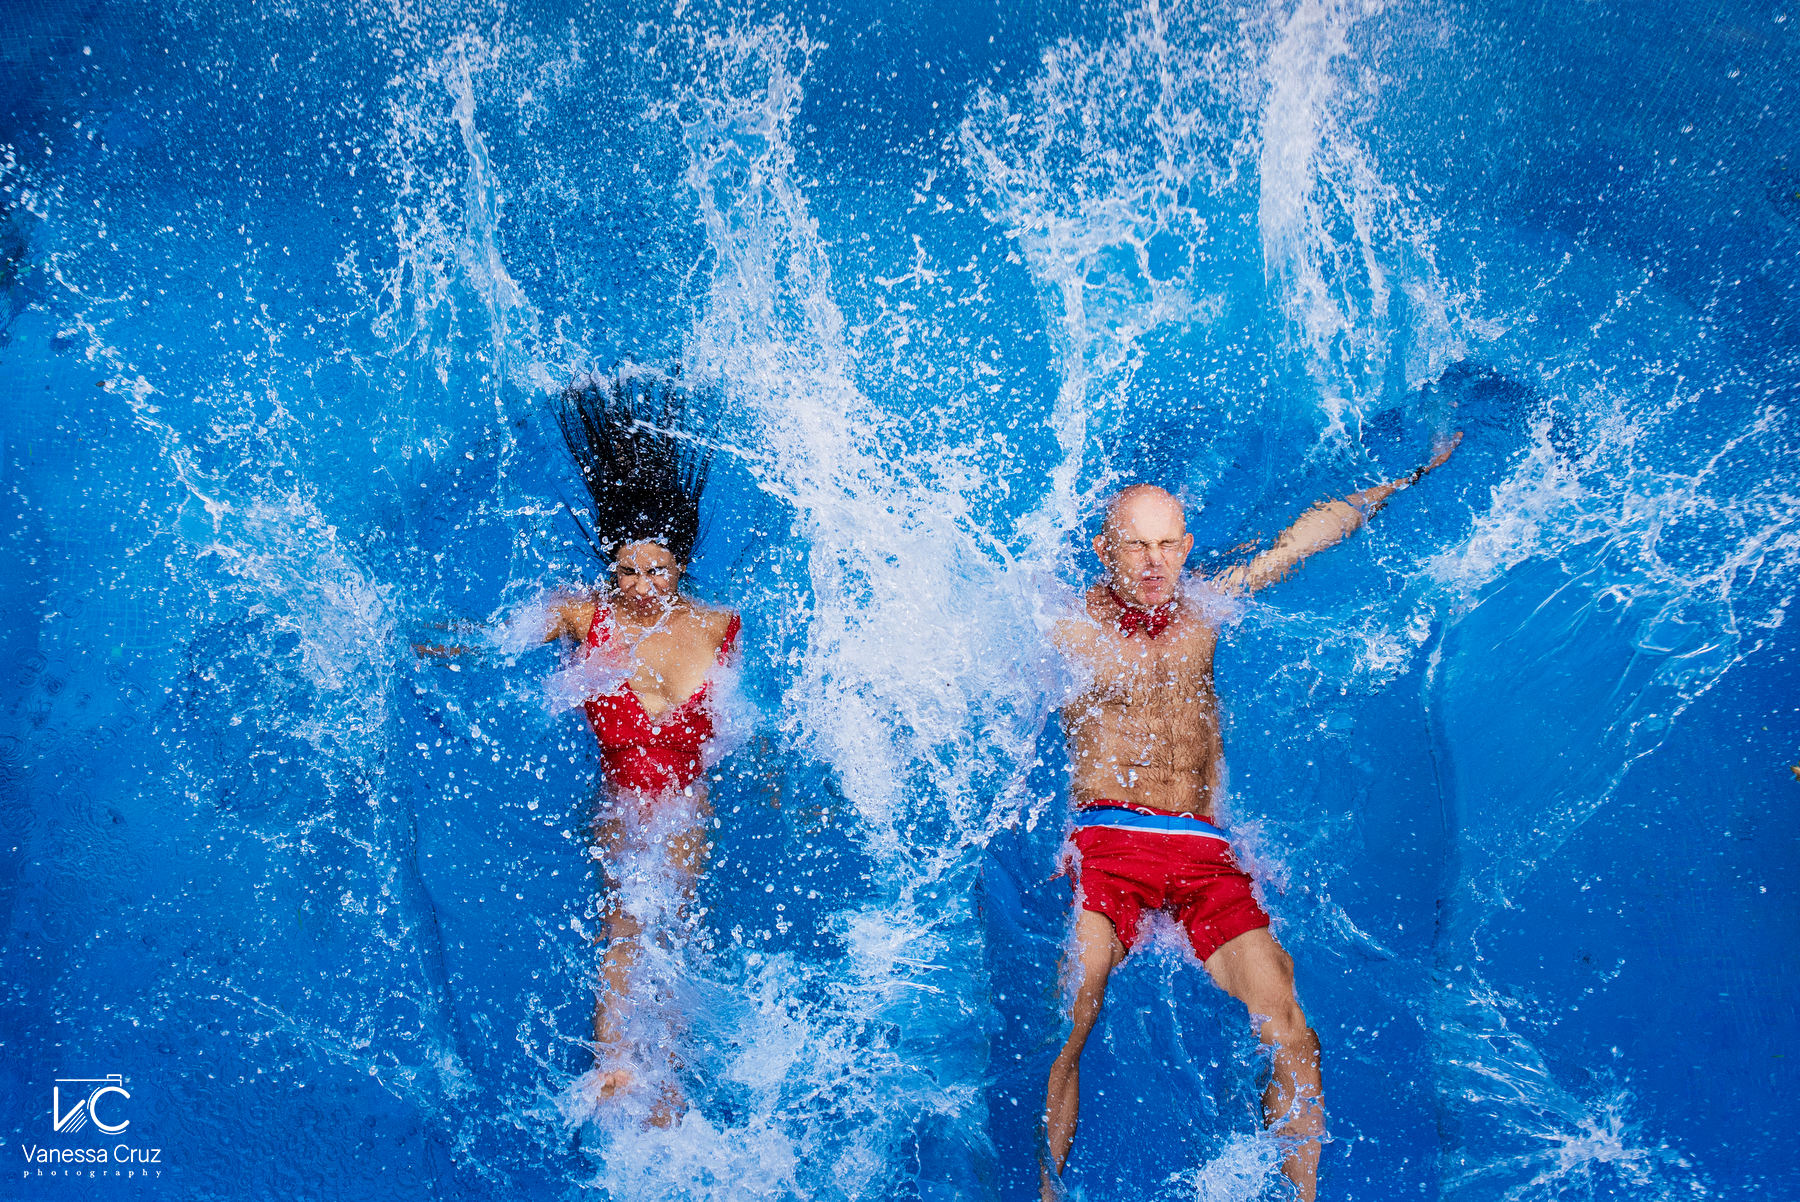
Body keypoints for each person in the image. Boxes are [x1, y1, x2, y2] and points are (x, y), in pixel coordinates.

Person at [1040, 435, 1461, 1202]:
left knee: (1292, 1028)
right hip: (1108, 847)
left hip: (1202, 853)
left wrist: (1412, 472)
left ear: (1187, 546)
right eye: (1136, 547)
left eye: (1169, 545)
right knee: (1076, 1010)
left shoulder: (1206, 607)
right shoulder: (1065, 627)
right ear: (1106, 549)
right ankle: (1047, 1189)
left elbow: (1306, 536)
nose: (1155, 562)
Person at [417, 369, 740, 1127]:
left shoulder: (722, 624)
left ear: (680, 563)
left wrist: (784, 788)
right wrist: (423, 644)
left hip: (689, 804)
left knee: (676, 937)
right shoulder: (579, 614)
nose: (639, 584)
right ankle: (612, 1072)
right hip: (621, 801)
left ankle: (669, 1084)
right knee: (623, 932)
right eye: (625, 568)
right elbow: (491, 643)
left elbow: (740, 729)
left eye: (655, 568)